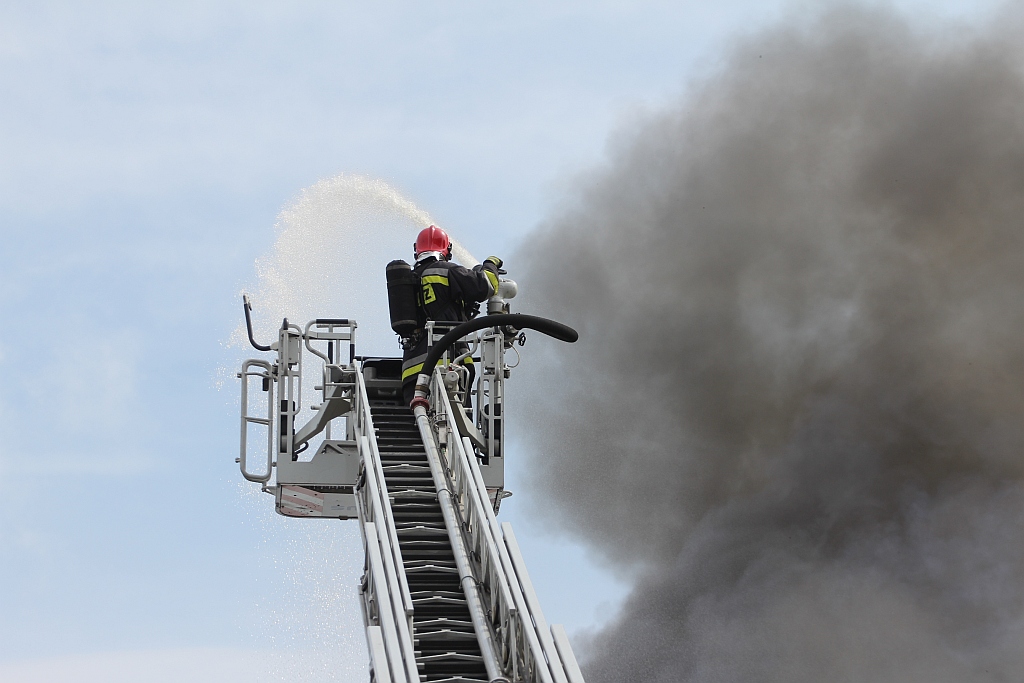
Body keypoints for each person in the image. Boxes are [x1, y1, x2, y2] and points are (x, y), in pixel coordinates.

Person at [401, 225, 502, 405]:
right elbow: (486, 285)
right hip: (450, 366)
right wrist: (490, 264)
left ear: (417, 250)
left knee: (418, 419)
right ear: (447, 250)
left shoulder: (407, 280)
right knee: (456, 423)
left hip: (411, 372)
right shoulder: (447, 271)